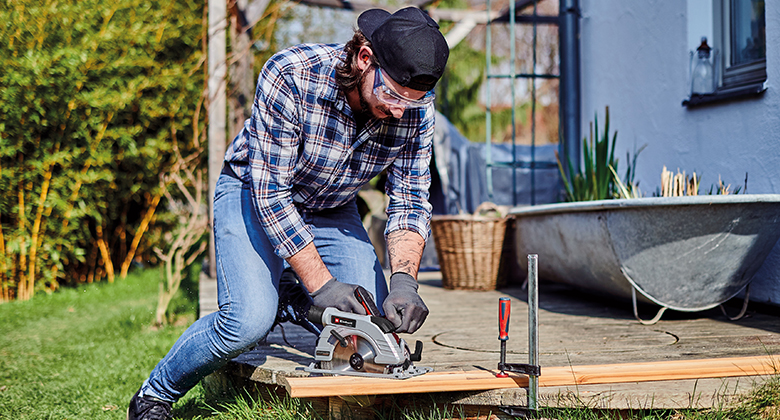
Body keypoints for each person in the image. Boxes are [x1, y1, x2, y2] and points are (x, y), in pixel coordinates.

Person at [127, 6, 449, 420]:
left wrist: (404, 280)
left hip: (332, 205)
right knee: (247, 321)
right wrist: (322, 284)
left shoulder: (415, 109)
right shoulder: (292, 74)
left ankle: (291, 293)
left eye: (415, 100)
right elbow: (272, 194)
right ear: (364, 59)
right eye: (393, 95)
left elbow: (408, 197)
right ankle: (155, 395)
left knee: (374, 322)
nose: (402, 111)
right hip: (253, 191)